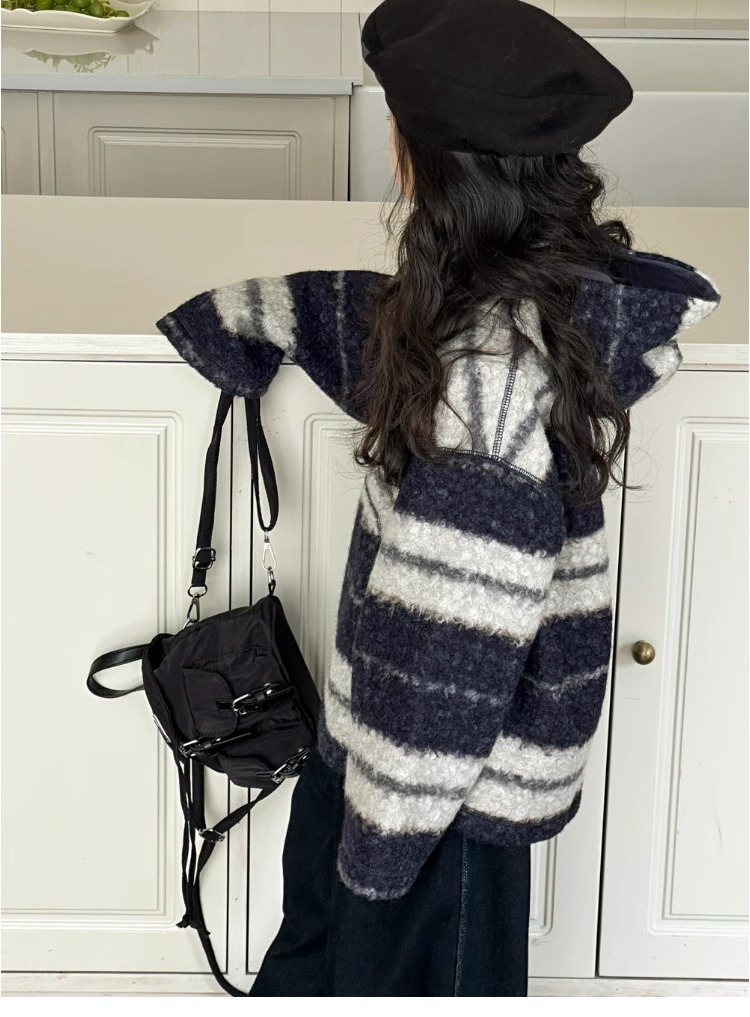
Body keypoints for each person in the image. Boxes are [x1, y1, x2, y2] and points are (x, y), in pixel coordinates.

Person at [156, 0, 721, 996]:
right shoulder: (528, 302)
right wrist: (262, 315)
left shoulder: (484, 395)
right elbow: (380, 326)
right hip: (399, 764)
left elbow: (447, 665)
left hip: (429, 804)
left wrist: (379, 851)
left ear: (418, 163)